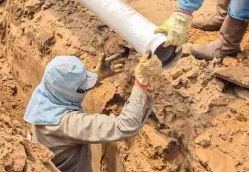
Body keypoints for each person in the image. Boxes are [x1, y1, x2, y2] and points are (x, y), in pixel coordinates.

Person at [24, 53, 162, 172]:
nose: (85, 89)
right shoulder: (68, 123)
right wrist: (142, 82)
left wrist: (97, 75)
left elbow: (65, 86)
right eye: (83, 87)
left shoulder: (46, 94)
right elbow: (125, 125)